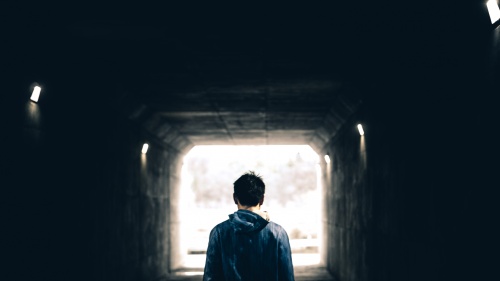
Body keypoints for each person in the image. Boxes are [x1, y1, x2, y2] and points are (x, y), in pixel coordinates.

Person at [203, 171, 295, 281]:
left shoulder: (219, 232)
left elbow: (211, 277)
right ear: (262, 199)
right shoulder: (278, 233)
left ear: (234, 198)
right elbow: (286, 277)